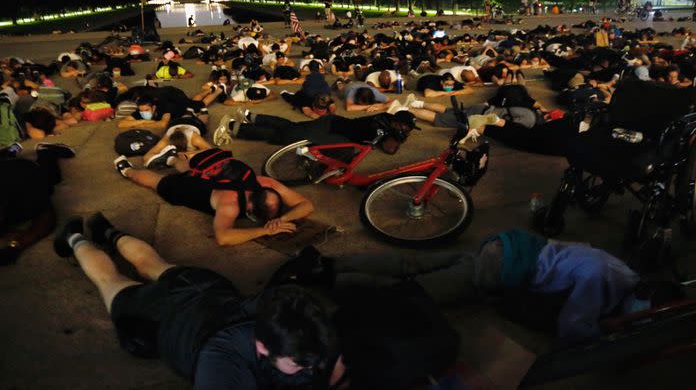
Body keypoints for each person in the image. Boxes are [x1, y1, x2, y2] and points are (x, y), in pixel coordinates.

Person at [52, 214, 343, 388]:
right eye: (300, 364)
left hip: (205, 290)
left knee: (151, 263)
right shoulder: (220, 365)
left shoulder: (289, 310)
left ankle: (107, 232)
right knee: (109, 280)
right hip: (161, 317)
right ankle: (75, 237)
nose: (312, 367)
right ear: (261, 346)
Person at [281, 229, 656, 346]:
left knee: (409, 264)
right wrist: (604, 337)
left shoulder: (616, 267)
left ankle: (326, 263)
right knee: (411, 292)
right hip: (501, 268)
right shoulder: (603, 280)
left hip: (504, 246)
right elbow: (573, 327)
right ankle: (324, 279)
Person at [112, 151, 312, 245]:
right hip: (190, 191)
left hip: (206, 181)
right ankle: (126, 169)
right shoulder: (230, 205)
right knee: (157, 182)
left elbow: (306, 205)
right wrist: (265, 230)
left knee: (191, 170)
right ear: (251, 210)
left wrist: (282, 220)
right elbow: (223, 237)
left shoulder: (267, 183)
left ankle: (173, 157)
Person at [213, 110, 420, 156]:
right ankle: (232, 127)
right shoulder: (380, 125)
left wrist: (398, 134)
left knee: (290, 127)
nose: (407, 133)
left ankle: (250, 115)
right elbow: (389, 149)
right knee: (284, 137)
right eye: (406, 129)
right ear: (396, 123)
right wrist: (397, 137)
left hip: (333, 126)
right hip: (329, 129)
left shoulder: (387, 123)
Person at [0, 142, 74, 265]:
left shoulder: (26, 188)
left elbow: (46, 218)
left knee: (53, 177)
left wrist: (17, 245)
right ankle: (9, 151)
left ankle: (46, 151)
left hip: (28, 171)